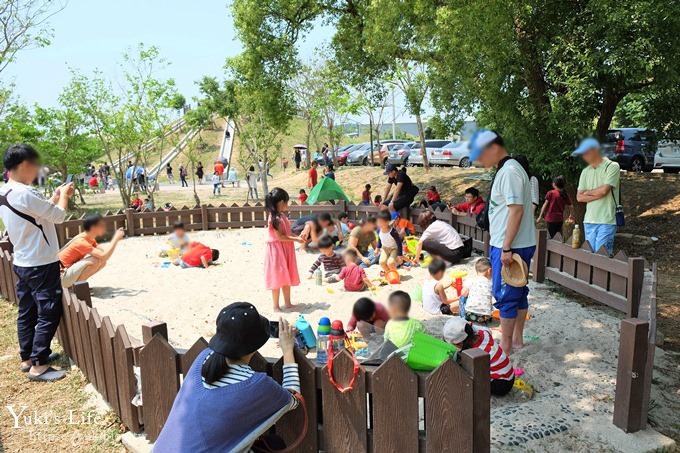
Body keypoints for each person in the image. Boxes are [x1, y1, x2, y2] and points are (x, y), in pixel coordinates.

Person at [154, 304, 301, 452]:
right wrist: (288, 350)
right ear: (256, 343)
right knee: (275, 444)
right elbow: (292, 398)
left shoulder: (203, 358)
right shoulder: (257, 384)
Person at [0, 144, 74, 381]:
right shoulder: (26, 193)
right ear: (24, 165)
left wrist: (52, 198)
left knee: (27, 310)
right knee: (48, 310)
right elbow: (58, 216)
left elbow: (36, 215)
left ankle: (27, 357)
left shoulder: (6, 192)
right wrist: (63, 197)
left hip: (23, 261)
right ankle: (39, 365)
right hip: (41, 262)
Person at [469, 129, 536, 355]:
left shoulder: (509, 172)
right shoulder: (510, 169)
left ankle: (506, 346)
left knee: (506, 295)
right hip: (513, 242)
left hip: (511, 245)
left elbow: (516, 210)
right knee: (518, 291)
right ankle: (516, 340)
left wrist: (506, 247)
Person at [573, 138, 621, 256]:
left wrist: (587, 193)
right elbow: (579, 198)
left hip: (606, 220)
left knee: (602, 256)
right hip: (589, 219)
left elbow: (604, 191)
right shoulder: (585, 171)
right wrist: (596, 193)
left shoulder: (612, 166)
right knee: (590, 257)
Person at [443, 318, 514, 396]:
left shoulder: (477, 353)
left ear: (459, 343)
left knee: (466, 376)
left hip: (501, 384)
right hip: (509, 375)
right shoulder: (484, 333)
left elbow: (473, 371)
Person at [59, 214, 125, 288]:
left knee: (102, 262)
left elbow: (104, 253)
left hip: (65, 274)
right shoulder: (81, 242)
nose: (104, 228)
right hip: (60, 278)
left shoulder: (89, 238)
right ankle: (79, 287)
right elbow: (103, 256)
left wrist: (115, 240)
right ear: (93, 228)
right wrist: (115, 239)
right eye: (101, 226)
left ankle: (79, 284)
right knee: (95, 260)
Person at [264, 188, 303, 311]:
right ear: (281, 202)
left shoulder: (282, 216)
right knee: (277, 276)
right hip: (277, 250)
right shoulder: (274, 218)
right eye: (286, 202)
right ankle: (275, 305)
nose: (287, 205)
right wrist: (296, 240)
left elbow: (287, 232)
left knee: (287, 275)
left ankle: (288, 303)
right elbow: (280, 237)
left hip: (286, 248)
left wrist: (298, 237)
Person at [459, 257, 494, 324]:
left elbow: (463, 293)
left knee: (463, 297)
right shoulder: (491, 283)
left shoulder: (471, 280)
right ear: (489, 271)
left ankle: (462, 317)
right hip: (485, 317)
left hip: (470, 315)